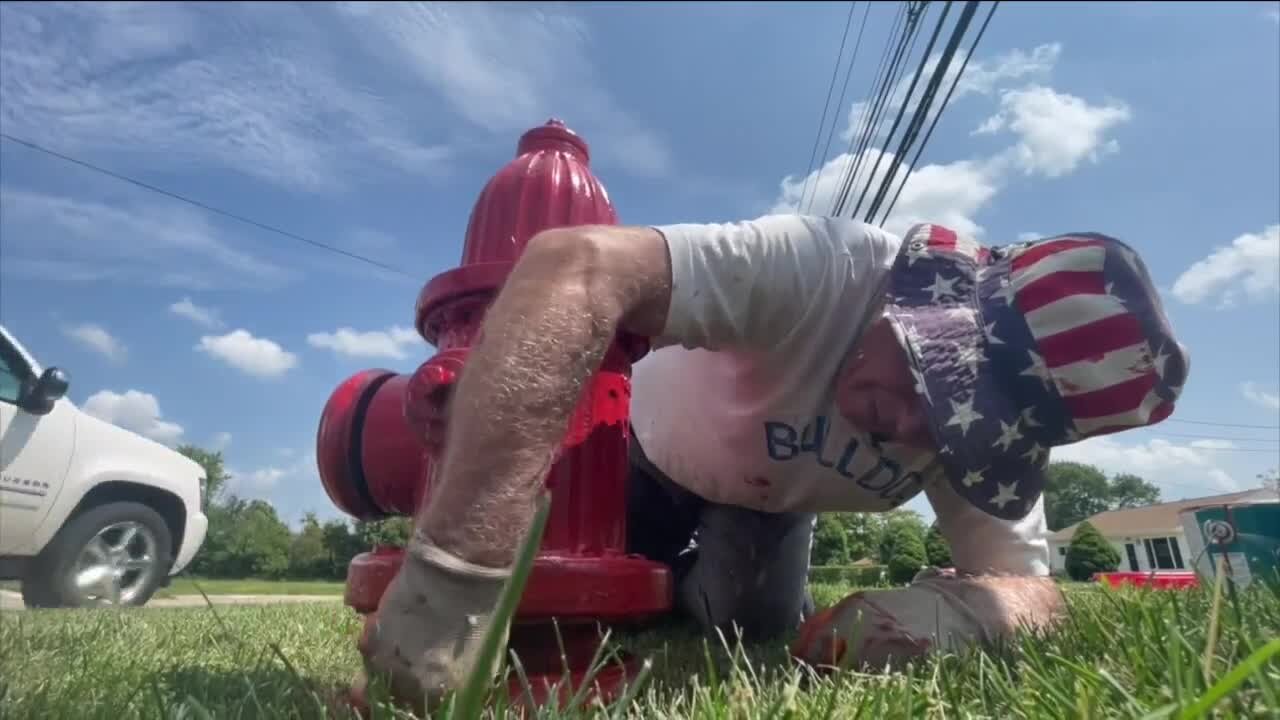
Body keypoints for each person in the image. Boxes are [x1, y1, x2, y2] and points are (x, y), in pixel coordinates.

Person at [353, 215, 1189, 705]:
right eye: (937, 386)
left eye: (961, 436)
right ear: (928, 302)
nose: (913, 435)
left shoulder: (978, 444)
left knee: (746, 627)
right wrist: (461, 565)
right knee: (567, 605)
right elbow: (573, 262)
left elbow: (1038, 593)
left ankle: (671, 599)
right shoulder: (828, 264)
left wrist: (954, 616)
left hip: (762, 507)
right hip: (630, 452)